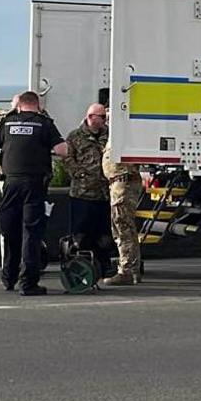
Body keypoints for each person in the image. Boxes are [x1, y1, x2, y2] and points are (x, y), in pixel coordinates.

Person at [0, 91, 68, 296]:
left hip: (11, 184)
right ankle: (28, 283)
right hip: (34, 185)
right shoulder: (44, 123)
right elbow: (63, 150)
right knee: (31, 233)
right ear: (38, 105)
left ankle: (8, 278)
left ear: (18, 105)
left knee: (10, 231)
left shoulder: (7, 121)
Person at [63, 104, 112, 278]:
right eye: (102, 117)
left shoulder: (109, 135)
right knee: (81, 235)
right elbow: (67, 158)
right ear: (91, 117)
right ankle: (81, 267)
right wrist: (80, 174)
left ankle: (104, 267)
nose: (105, 121)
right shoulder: (76, 136)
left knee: (105, 236)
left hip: (105, 194)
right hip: (82, 194)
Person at [100, 136, 144, 286]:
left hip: (123, 182)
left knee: (122, 226)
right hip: (119, 182)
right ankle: (132, 270)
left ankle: (127, 271)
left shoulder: (123, 127)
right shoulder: (116, 129)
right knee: (124, 226)